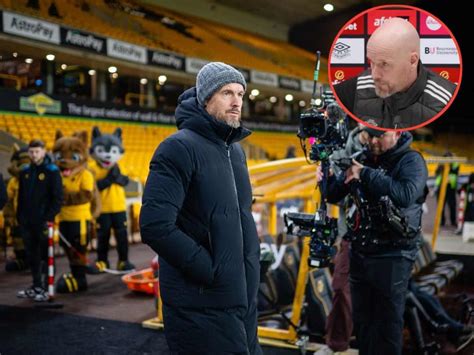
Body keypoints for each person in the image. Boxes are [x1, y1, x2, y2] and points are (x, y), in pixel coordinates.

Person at [140, 62, 262, 354]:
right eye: (226, 93)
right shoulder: (178, 148)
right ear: (206, 98)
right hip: (200, 303)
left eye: (240, 94)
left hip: (242, 298)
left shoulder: (236, 151)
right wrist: (211, 270)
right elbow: (155, 226)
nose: (236, 102)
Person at [324, 127, 428, 354]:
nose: (373, 141)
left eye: (380, 135)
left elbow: (405, 194)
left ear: (398, 133)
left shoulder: (412, 160)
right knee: (363, 322)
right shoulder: (362, 158)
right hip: (360, 251)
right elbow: (333, 194)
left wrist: (365, 174)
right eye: (369, 135)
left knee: (387, 322)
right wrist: (327, 178)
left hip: (394, 254)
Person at [334, 18, 456, 129]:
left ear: (412, 61)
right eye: (372, 62)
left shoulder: (446, 98)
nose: (374, 75)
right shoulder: (352, 90)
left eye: (384, 64)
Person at [16, 139, 63, 302]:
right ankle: (36, 285)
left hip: (43, 222)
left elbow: (57, 199)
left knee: (46, 255)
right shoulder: (25, 171)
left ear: (43, 152)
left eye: (37, 151)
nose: (34, 155)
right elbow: (20, 197)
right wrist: (19, 217)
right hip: (27, 222)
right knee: (32, 255)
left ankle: (46, 287)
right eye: (31, 151)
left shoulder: (52, 171)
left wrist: (48, 218)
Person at [434, 152, 459, 228]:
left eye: (449, 158)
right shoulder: (440, 166)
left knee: (452, 206)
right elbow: (436, 174)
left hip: (450, 187)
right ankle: (442, 221)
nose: (447, 160)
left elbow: (456, 168)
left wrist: (453, 159)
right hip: (441, 187)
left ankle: (453, 221)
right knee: (440, 206)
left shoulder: (454, 165)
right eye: (446, 158)